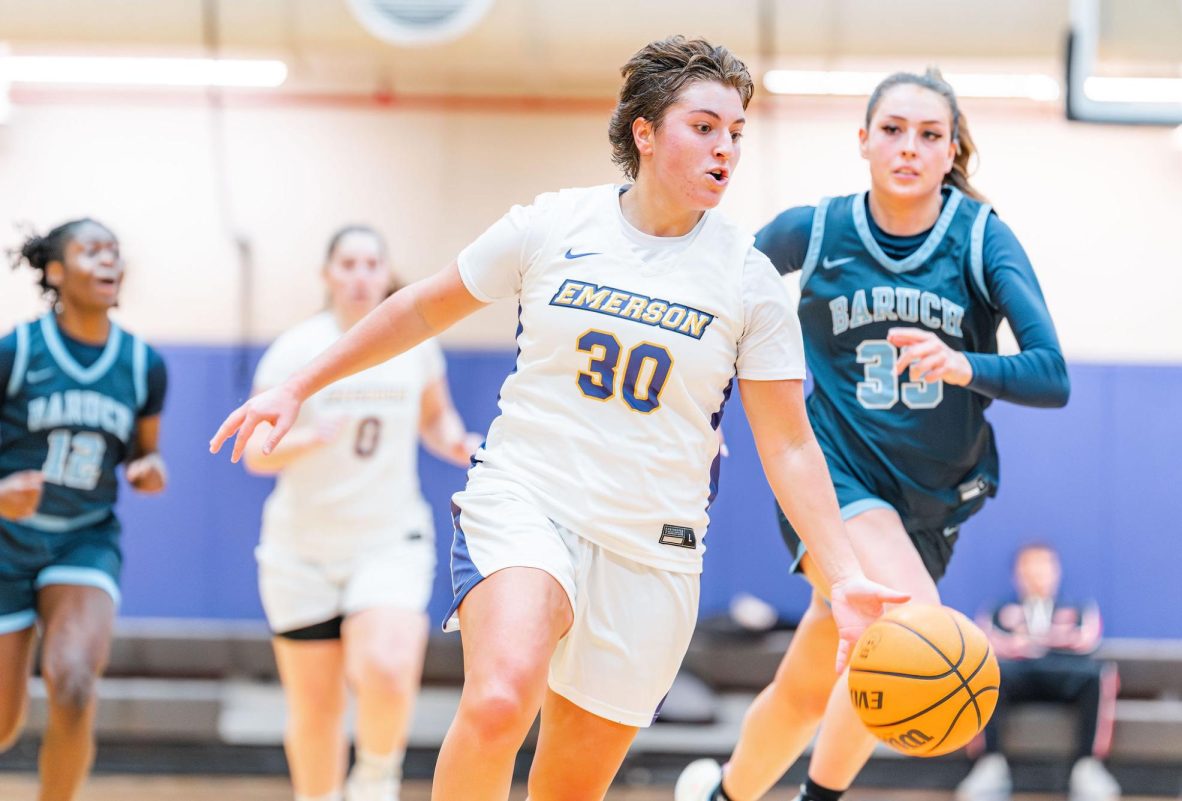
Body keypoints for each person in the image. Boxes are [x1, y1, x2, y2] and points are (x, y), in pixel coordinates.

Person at [210, 36, 907, 801]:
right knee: (501, 695)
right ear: (644, 131)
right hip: (529, 496)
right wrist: (299, 385)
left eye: (736, 132)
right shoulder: (554, 225)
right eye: (704, 126)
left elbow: (790, 445)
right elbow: (419, 307)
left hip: (653, 543)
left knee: (568, 786)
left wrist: (843, 575)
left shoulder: (748, 278)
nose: (725, 148)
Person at [676, 68, 1070, 801]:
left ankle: (722, 794)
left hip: (933, 496)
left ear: (952, 150)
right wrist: (693, 404)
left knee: (816, 678)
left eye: (929, 135)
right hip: (836, 470)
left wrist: (965, 364)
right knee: (904, 626)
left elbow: (1052, 375)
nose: (909, 148)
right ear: (863, 140)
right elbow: (715, 289)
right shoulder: (816, 229)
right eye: (892, 130)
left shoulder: (982, 239)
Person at [243, 225, 477, 801]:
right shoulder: (296, 350)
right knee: (315, 709)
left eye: (371, 263)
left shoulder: (416, 343)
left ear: (386, 272)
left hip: (388, 540)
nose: (359, 275)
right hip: (301, 551)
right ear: (327, 275)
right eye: (347, 264)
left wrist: (454, 441)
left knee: (388, 667)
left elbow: (435, 416)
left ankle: (376, 777)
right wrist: (305, 439)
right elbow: (254, 456)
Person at [0, 219, 168, 801]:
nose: (108, 261)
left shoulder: (143, 363)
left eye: (114, 252)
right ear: (54, 271)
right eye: (90, 250)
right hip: (5, 539)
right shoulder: (16, 351)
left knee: (72, 681)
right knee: (2, 723)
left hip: (84, 537)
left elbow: (145, 454)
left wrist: (150, 470)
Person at [957, 542, 1120, 801]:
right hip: (1017, 677)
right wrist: (1044, 642)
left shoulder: (1078, 609)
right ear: (1017, 574)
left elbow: (1086, 639)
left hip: (1062, 674)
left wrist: (1031, 641)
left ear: (1056, 571)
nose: (1037, 573)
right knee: (984, 675)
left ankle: (1088, 766)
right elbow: (986, 641)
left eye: (1044, 566)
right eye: (1029, 566)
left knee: (1097, 674)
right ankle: (989, 764)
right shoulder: (998, 610)